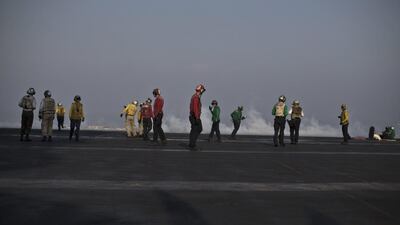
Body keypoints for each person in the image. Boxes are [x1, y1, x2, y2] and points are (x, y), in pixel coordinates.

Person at [189, 84, 206, 150]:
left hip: (193, 116)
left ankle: (191, 144)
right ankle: (192, 145)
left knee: (194, 130)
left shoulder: (195, 96)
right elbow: (195, 108)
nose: (203, 92)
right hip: (195, 116)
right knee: (197, 129)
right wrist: (197, 118)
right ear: (201, 90)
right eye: (202, 90)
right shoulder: (196, 97)